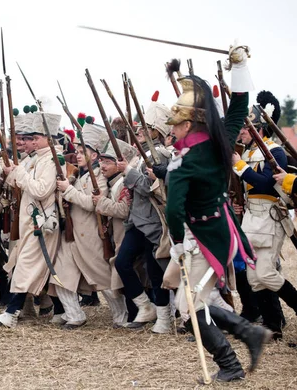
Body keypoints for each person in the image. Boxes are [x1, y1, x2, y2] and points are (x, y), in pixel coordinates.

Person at [165, 48, 272, 382]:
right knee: (183, 296)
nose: (173, 133)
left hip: (205, 236)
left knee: (189, 307)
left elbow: (173, 208)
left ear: (187, 123)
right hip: (217, 229)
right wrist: (240, 67)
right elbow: (239, 104)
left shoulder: (185, 162)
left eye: (176, 127)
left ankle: (233, 360)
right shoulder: (218, 141)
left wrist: (179, 241)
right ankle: (245, 337)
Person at [233, 89, 297, 340]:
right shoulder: (248, 153)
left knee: (266, 274)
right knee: (253, 277)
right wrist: (240, 202)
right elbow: (249, 190)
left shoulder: (275, 151)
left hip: (270, 218)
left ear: (258, 129)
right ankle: (272, 327)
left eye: (246, 129)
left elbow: (265, 184)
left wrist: (238, 166)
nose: (241, 132)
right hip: (252, 217)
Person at [0, 111, 62, 328]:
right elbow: (22, 184)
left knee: (25, 266)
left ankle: (11, 312)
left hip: (41, 221)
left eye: (35, 138)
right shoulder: (37, 158)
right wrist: (10, 172)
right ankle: (62, 310)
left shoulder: (50, 160)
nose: (29, 142)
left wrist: (19, 173)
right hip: (31, 220)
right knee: (34, 266)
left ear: (48, 138)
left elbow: (41, 190)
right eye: (29, 138)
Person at [114, 95, 172, 333]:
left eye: (145, 128)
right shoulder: (142, 155)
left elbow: (151, 188)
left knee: (156, 270)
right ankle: (145, 307)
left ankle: (165, 319)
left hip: (153, 221)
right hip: (137, 221)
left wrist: (127, 171)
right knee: (122, 262)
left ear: (155, 131)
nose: (138, 130)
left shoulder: (160, 156)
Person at [52, 123, 109, 329]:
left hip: (91, 233)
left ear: (94, 155)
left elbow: (92, 204)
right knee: (60, 272)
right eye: (76, 151)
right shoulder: (78, 174)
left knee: (104, 279)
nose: (76, 155)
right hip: (73, 232)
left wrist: (68, 190)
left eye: (81, 151)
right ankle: (74, 314)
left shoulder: (100, 176)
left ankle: (122, 315)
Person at [93, 138, 137, 327]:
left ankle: (136, 314)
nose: (102, 166)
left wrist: (101, 203)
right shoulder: (112, 183)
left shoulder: (123, 183)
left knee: (127, 270)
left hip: (125, 234)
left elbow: (123, 210)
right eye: (101, 161)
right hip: (116, 234)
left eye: (108, 162)